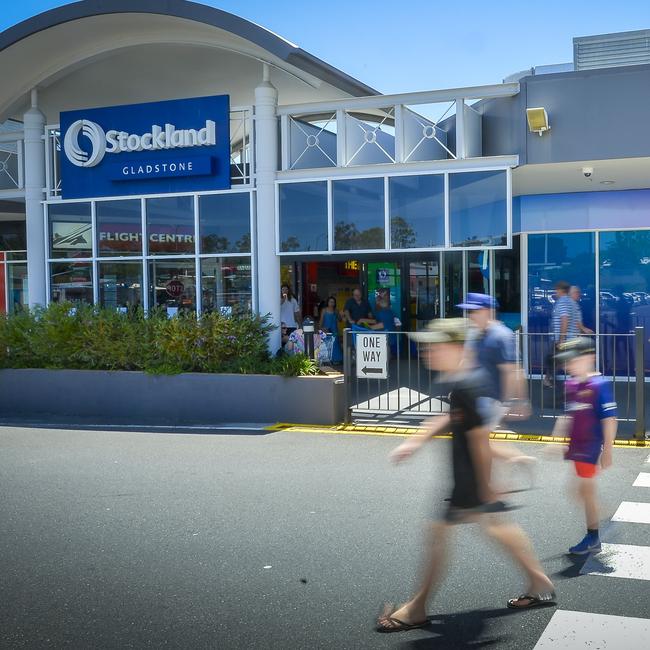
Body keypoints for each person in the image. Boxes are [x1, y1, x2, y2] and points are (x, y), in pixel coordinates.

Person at [376, 319, 556, 633]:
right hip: (468, 475)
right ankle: (539, 581)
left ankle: (417, 608)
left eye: (435, 346)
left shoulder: (468, 386)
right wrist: (417, 439)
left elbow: (479, 440)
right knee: (495, 526)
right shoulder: (462, 381)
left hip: (469, 477)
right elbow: (454, 419)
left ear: (458, 347)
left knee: (438, 535)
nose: (427, 352)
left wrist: (486, 488)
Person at [551, 337, 617, 555]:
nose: (569, 365)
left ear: (589, 358)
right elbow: (568, 415)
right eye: (567, 362)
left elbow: (609, 419)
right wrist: (558, 439)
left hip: (589, 447)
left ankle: (593, 536)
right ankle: (597, 526)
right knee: (578, 492)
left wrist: (608, 449)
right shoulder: (571, 384)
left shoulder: (599, 385)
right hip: (577, 447)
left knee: (583, 492)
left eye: (573, 360)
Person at [544, 281, 580, 388]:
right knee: (556, 360)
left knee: (558, 361)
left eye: (556, 290)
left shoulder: (563, 302)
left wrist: (560, 339)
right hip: (569, 337)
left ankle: (574, 384)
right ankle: (548, 379)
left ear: (560, 290)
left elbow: (565, 320)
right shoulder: (571, 302)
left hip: (564, 338)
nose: (555, 292)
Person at [319, 296, 343, 364]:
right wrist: (321, 328)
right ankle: (327, 359)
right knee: (327, 345)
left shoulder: (336, 311)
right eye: (330, 302)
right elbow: (321, 320)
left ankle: (336, 359)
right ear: (328, 303)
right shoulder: (324, 310)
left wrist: (340, 315)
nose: (332, 303)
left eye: (333, 302)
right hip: (326, 330)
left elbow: (340, 320)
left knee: (335, 344)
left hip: (334, 330)